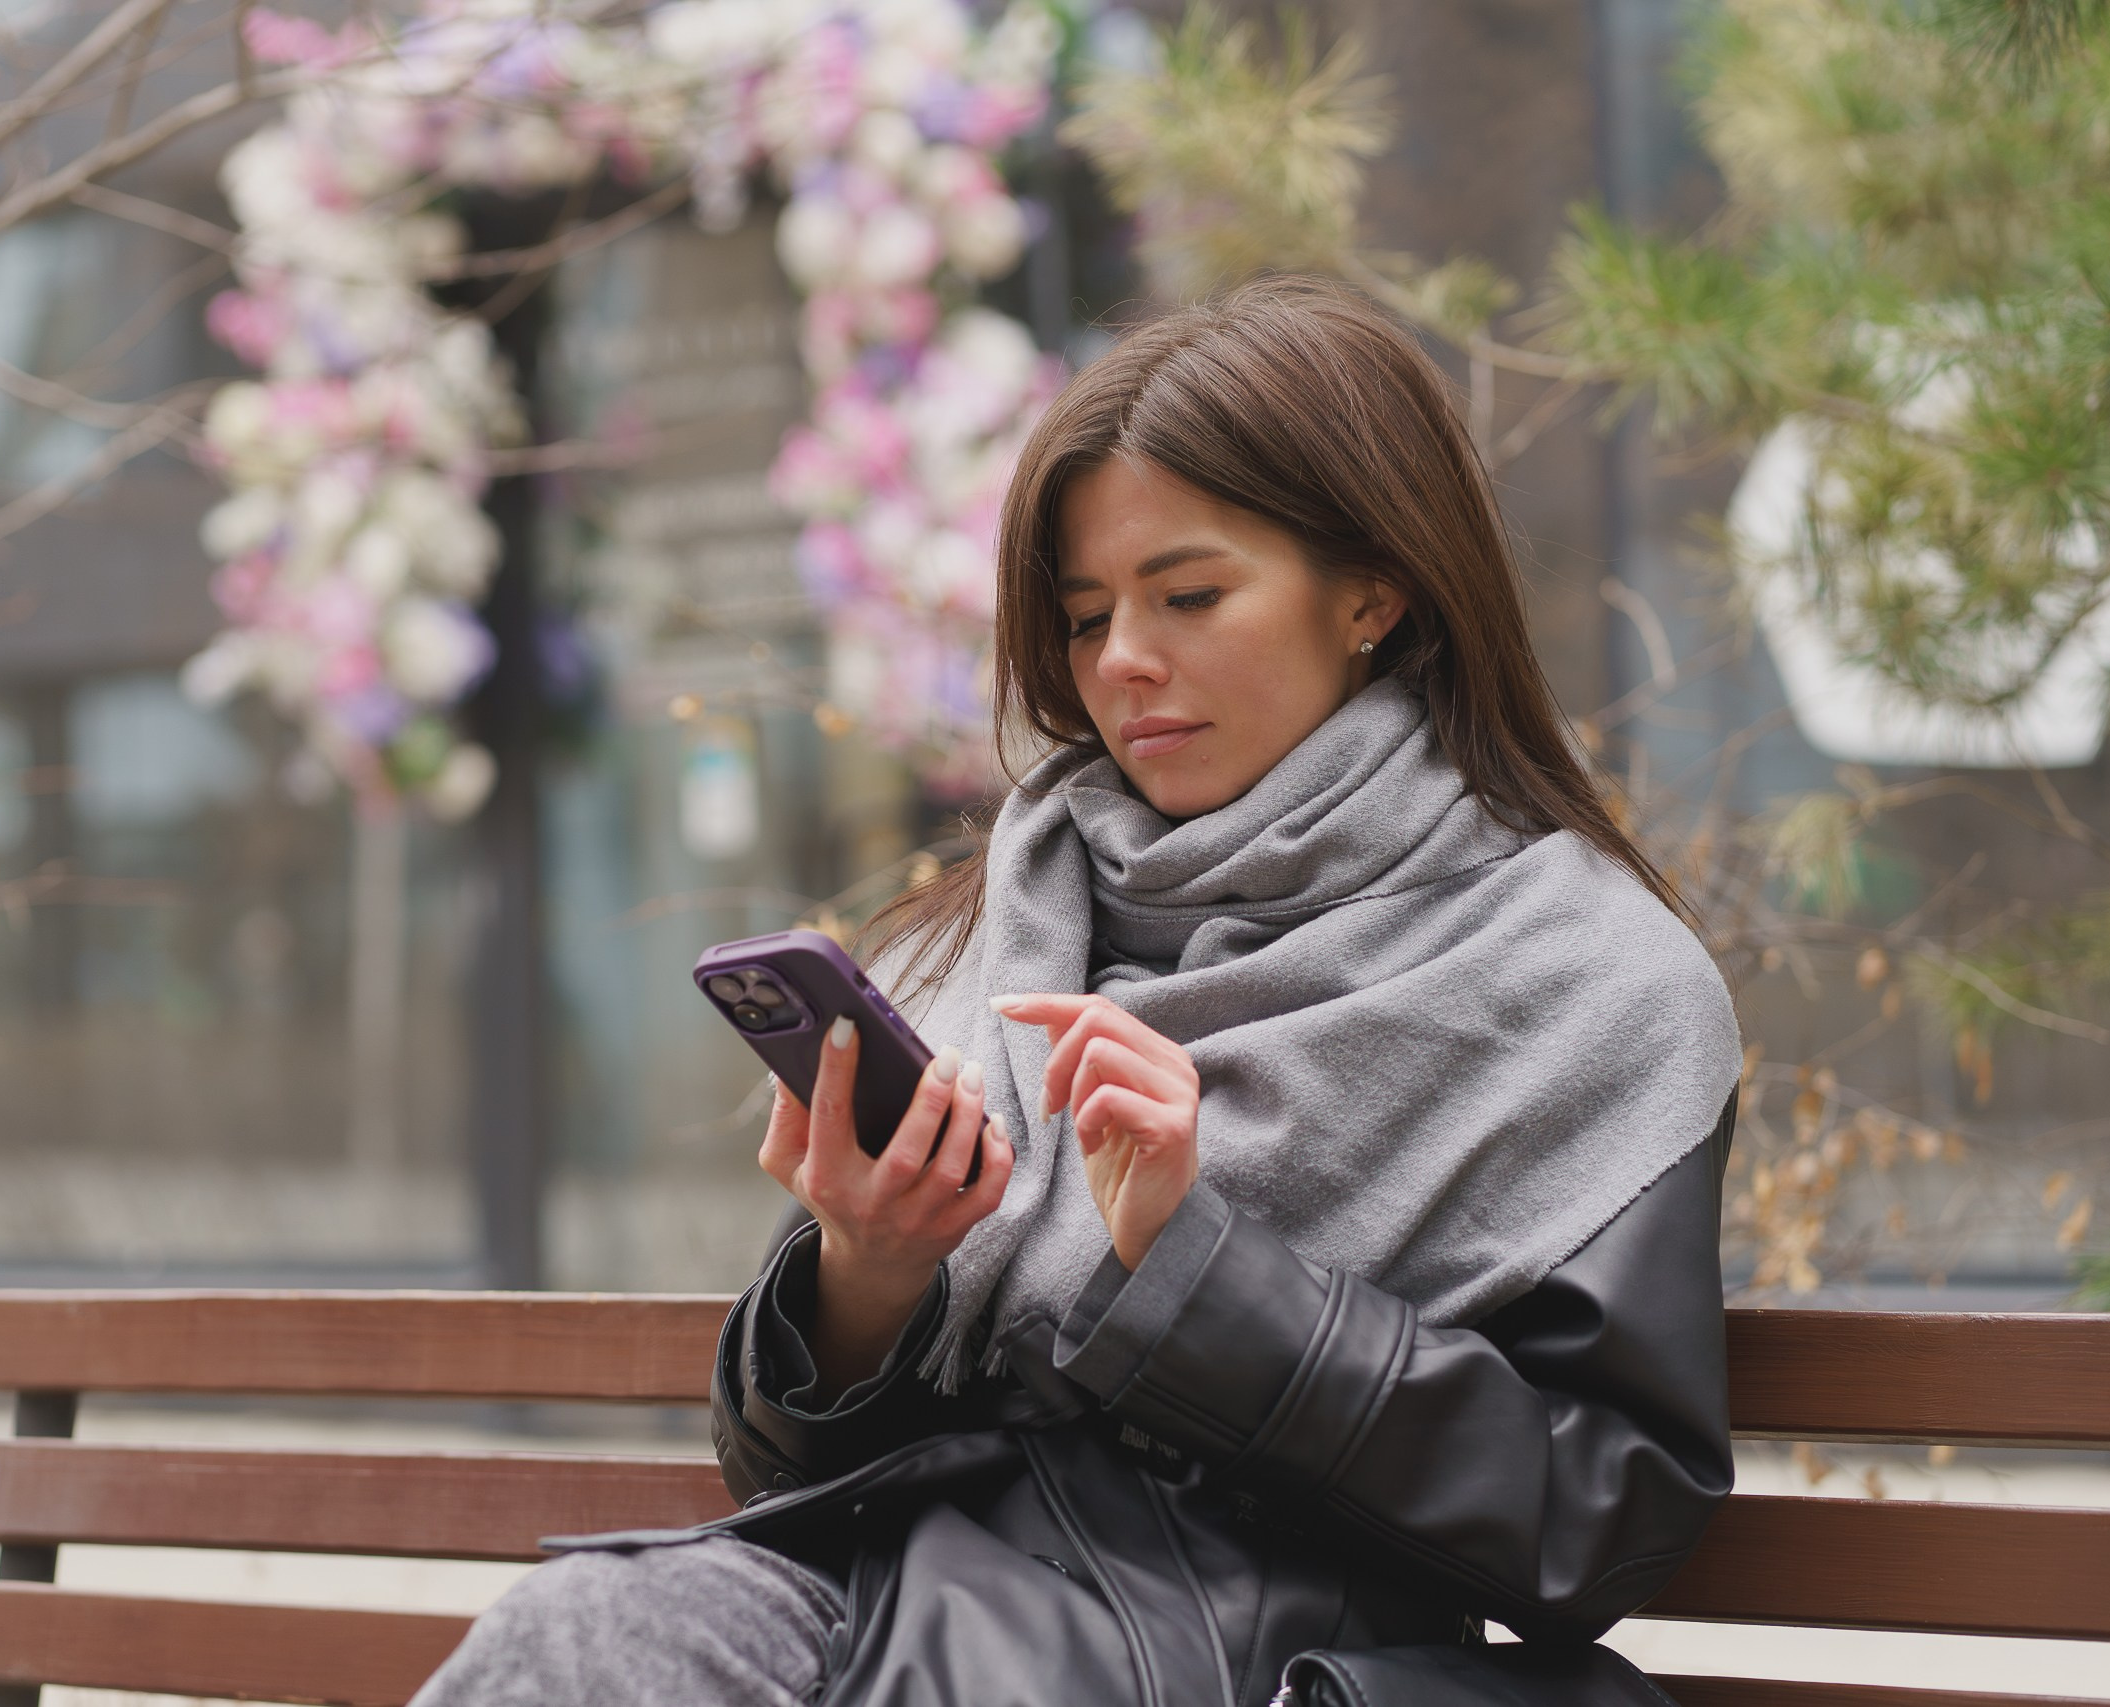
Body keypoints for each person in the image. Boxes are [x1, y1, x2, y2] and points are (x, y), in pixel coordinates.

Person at [413, 276, 1742, 1707]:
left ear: (1374, 589)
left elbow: (1594, 1525)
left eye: (1189, 595)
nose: (1122, 664)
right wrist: (868, 1274)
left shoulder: (1590, 982)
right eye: (1086, 613)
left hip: (1252, 1664)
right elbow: (792, 1482)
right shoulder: (993, 924)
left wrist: (1193, 1266)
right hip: (895, 1622)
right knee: (585, 1635)